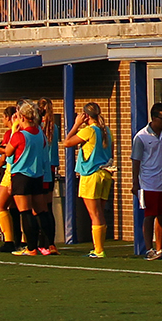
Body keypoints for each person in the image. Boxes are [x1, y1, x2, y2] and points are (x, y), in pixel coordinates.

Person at [59, 100, 114, 259]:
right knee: (100, 212)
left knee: (94, 213)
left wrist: (76, 125)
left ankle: (99, 250)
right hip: (105, 174)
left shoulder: (89, 131)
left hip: (91, 175)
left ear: (86, 116)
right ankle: (99, 247)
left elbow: (67, 143)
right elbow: (111, 152)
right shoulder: (107, 131)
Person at [3, 100, 56, 256]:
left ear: (22, 117)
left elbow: (8, 152)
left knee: (25, 212)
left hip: (21, 176)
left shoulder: (20, 135)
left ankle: (31, 248)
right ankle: (50, 245)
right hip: (37, 176)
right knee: (42, 211)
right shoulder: (41, 134)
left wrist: (13, 130)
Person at [132, 101, 162, 261]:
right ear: (153, 118)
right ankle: (148, 249)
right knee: (149, 215)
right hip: (148, 182)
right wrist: (135, 183)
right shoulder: (141, 137)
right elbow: (136, 161)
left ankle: (160, 249)